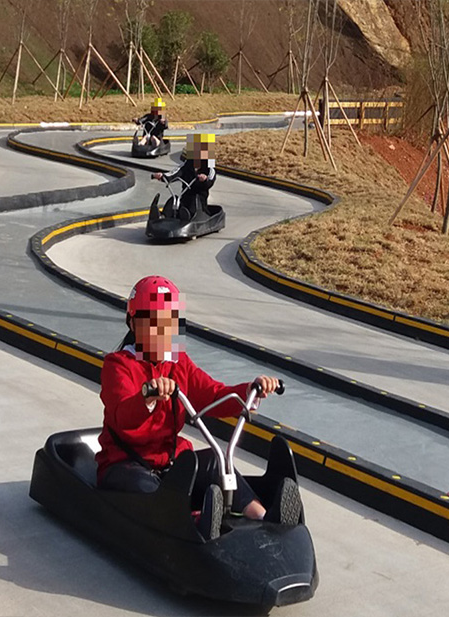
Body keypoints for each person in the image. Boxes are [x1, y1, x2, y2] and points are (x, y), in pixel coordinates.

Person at [96, 275, 301, 540]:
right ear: (134, 323)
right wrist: (148, 397)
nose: (162, 332)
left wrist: (251, 390)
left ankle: (265, 519)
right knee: (150, 490)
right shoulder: (118, 365)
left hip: (169, 462)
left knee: (216, 462)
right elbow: (122, 416)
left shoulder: (178, 362)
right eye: (153, 323)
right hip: (125, 465)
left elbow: (214, 394)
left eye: (168, 323)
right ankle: (197, 523)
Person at [151, 133, 216, 219]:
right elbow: (175, 173)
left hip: (199, 202)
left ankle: (187, 217)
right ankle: (163, 216)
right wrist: (162, 176)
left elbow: (211, 179)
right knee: (174, 200)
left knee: (193, 203)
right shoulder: (187, 165)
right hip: (185, 198)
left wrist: (205, 179)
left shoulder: (209, 168)